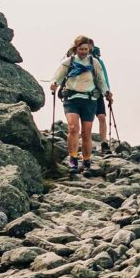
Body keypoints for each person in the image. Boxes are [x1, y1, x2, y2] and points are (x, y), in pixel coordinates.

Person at [50, 34, 113, 175]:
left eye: (86, 49)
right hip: (72, 98)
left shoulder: (94, 62)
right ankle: (73, 159)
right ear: (76, 48)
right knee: (73, 128)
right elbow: (58, 76)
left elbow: (101, 79)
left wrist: (107, 92)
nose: (84, 51)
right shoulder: (68, 61)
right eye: (81, 49)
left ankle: (86, 161)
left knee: (86, 132)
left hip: (89, 100)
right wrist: (54, 84)